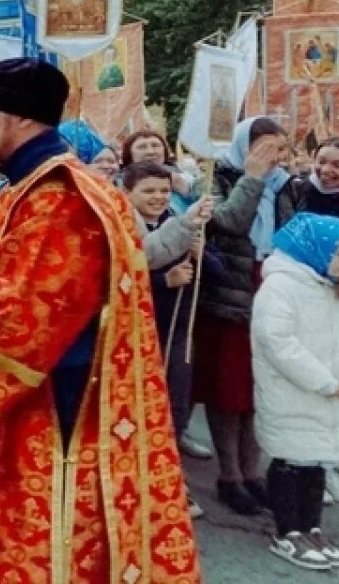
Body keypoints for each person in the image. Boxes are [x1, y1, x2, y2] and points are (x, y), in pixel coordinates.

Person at [0, 58, 199, 583]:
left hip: (61, 415)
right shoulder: (28, 189)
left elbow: (12, 336)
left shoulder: (58, 200)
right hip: (38, 403)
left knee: (53, 559)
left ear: (19, 119)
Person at [190, 116, 298, 516]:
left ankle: (254, 473)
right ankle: (229, 475)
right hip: (232, 291)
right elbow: (230, 221)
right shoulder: (218, 174)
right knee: (229, 390)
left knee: (260, 389)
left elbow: (295, 233)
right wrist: (251, 177)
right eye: (263, 147)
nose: (272, 157)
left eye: (278, 148)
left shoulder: (287, 183)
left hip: (273, 284)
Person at [252, 213, 339, 570]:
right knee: (291, 460)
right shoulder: (280, 287)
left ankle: (310, 525)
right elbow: (278, 343)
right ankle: (286, 531)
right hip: (295, 393)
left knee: (316, 463)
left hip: (332, 394)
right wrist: (325, 381)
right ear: (316, 250)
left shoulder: (337, 286)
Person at [122, 161, 220, 519]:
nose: (158, 197)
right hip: (135, 333)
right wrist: (165, 280)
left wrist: (198, 255)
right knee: (137, 408)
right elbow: (127, 275)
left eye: (164, 191)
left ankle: (170, 476)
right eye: (148, 191)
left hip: (176, 329)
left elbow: (216, 271)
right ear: (127, 191)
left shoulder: (172, 219)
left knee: (174, 404)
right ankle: (136, 480)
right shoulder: (121, 224)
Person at [297, 137, 339, 503]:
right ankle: (315, 469)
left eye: (337, 165)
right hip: (312, 292)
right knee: (319, 382)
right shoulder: (300, 192)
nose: (327, 171)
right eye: (322, 161)